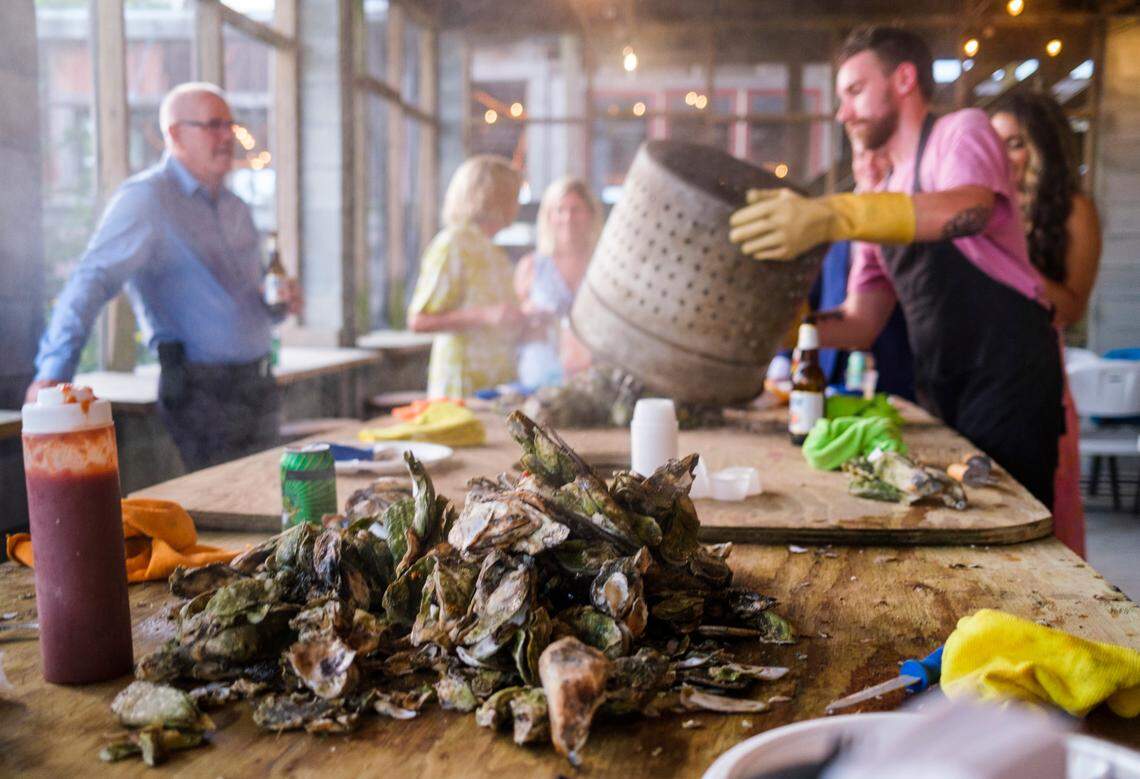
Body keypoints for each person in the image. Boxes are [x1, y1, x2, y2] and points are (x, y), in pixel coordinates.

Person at [729, 26, 1063, 508]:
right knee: (959, 517)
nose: (844, 112)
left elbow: (967, 211)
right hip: (941, 380)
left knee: (1017, 520)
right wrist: (778, 329)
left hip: (1010, 373)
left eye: (856, 91)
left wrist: (833, 214)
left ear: (904, 79)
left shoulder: (960, 131)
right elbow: (860, 321)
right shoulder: (876, 195)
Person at [27, 82, 300, 472]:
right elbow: (92, 279)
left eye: (229, 125)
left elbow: (250, 303)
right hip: (201, 392)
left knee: (268, 501)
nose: (227, 136)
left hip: (258, 382)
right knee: (227, 509)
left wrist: (279, 305)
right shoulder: (147, 199)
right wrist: (54, 374)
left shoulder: (236, 206)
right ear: (175, 134)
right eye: (213, 125)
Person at [991, 93, 1102, 557]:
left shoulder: (1074, 210)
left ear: (1042, 148)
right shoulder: (987, 209)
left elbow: (1072, 308)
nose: (1004, 157)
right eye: (995, 145)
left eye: (1015, 143)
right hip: (980, 372)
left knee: (1046, 502)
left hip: (1039, 374)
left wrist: (1009, 255)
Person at [407, 155, 525, 398]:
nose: (518, 204)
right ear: (495, 196)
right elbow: (419, 320)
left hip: (494, 386)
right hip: (460, 389)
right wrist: (485, 315)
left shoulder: (492, 250)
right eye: (514, 195)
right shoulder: (453, 243)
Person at [810, 140, 915, 401]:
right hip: (829, 371)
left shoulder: (912, 224)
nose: (869, 165)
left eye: (879, 156)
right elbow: (812, 293)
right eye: (860, 156)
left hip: (892, 376)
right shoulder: (831, 222)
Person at [513, 176, 602, 388]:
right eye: (560, 210)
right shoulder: (530, 266)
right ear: (548, 217)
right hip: (541, 375)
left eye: (576, 209)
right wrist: (528, 317)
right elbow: (512, 330)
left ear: (590, 214)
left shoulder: (603, 266)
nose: (568, 218)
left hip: (594, 376)